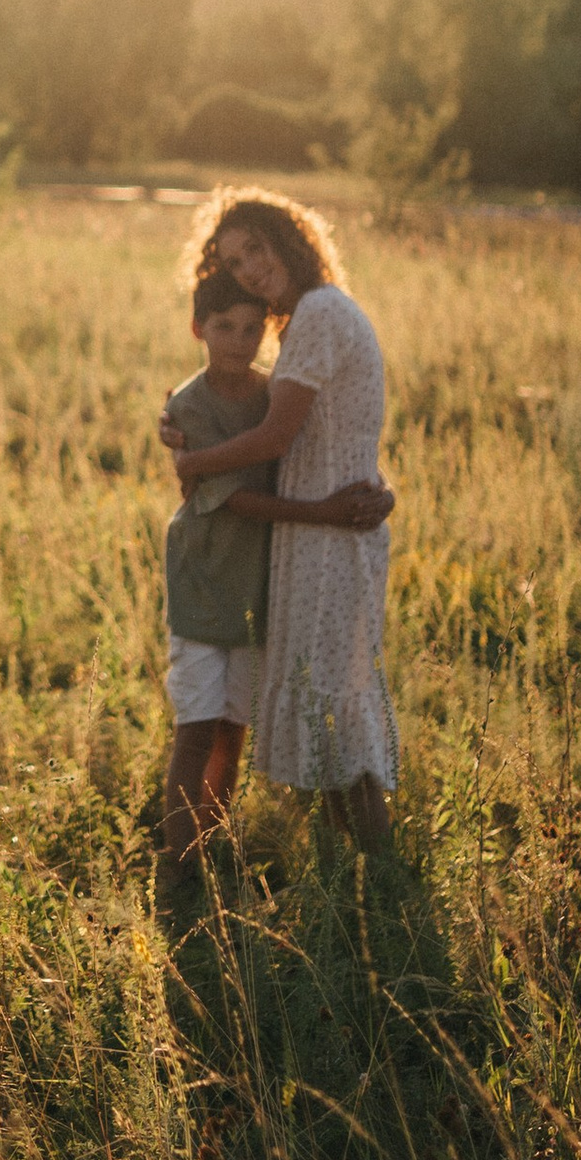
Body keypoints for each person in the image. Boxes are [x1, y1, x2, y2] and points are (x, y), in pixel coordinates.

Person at [160, 189, 400, 855]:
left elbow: (275, 437)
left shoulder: (318, 313)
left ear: (288, 240)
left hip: (330, 533)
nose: (249, 269)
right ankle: (358, 864)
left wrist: (194, 460)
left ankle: (379, 866)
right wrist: (185, 421)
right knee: (327, 701)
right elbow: (331, 428)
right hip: (316, 530)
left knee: (333, 704)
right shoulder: (311, 317)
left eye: (256, 249)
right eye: (234, 262)